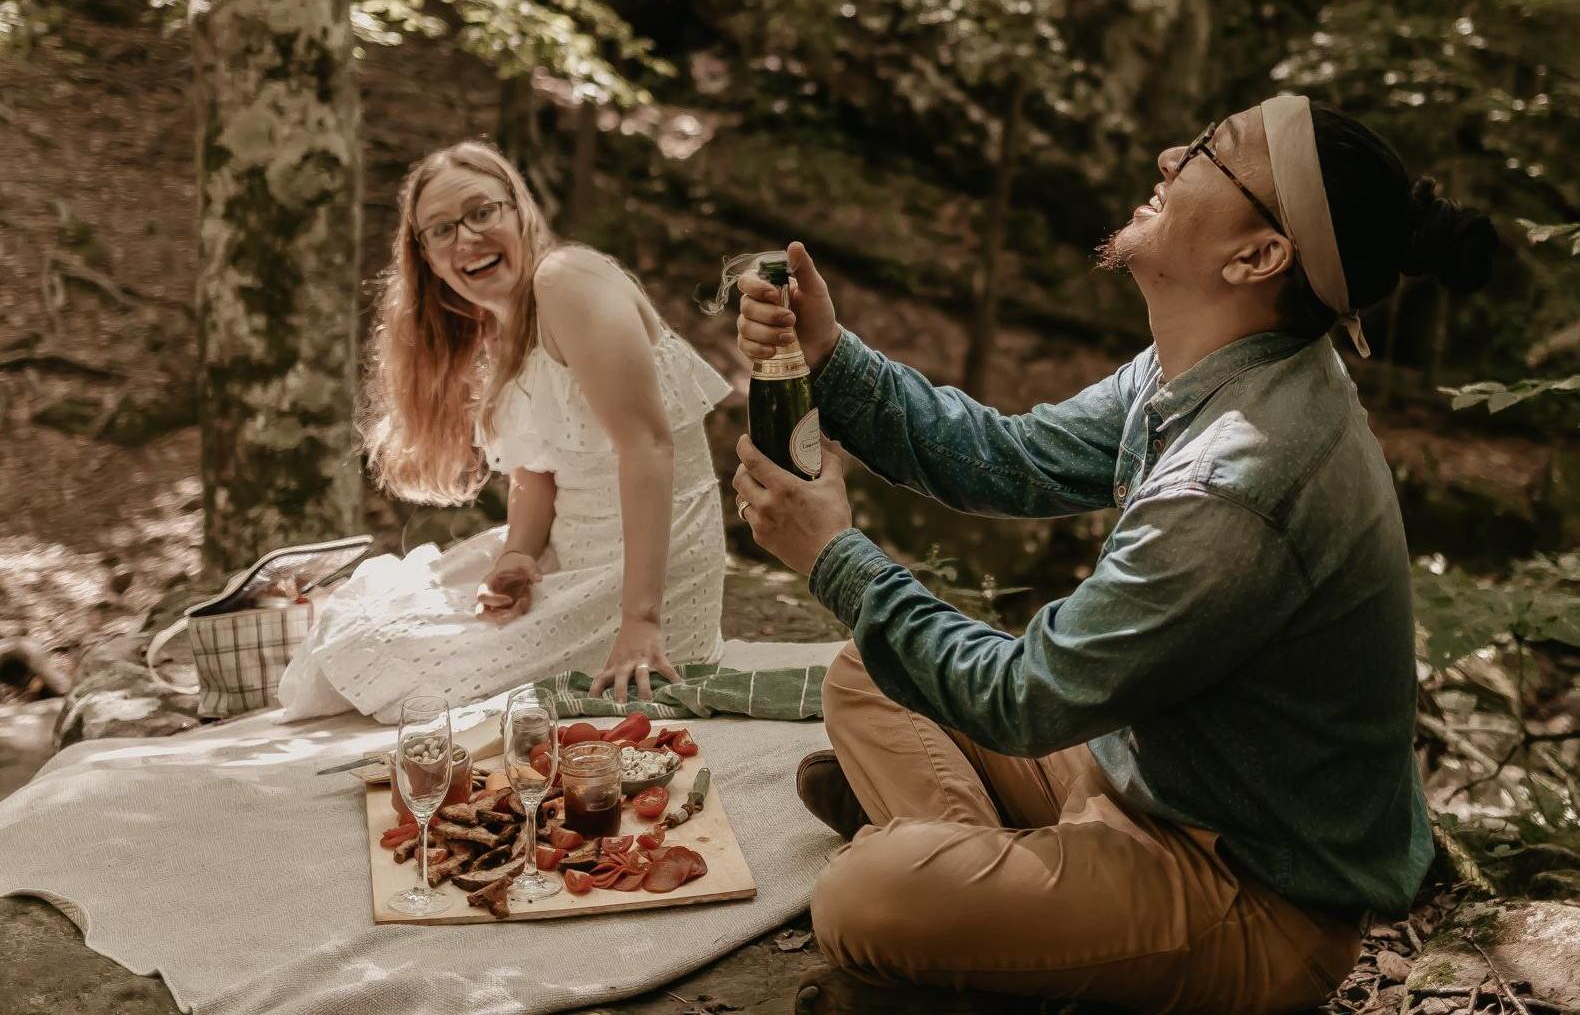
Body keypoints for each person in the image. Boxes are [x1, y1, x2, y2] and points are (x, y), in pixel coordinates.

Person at [731, 95, 1499, 1015]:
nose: (1173, 152)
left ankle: (952, 894)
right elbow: (1008, 459)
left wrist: (833, 553)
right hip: (1134, 778)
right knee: (866, 673)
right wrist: (830, 352)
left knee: (863, 897)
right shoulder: (1211, 361)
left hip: (1242, 891)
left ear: (1257, 257)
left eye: (1213, 152)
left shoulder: (1240, 479)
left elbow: (1025, 698)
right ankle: (983, 898)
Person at [277, 139, 732, 721]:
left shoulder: (567, 281)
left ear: (519, 209)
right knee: (364, 623)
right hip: (572, 556)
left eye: (481, 212)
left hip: (646, 578)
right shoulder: (502, 327)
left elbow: (648, 445)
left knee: (381, 655)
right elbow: (537, 475)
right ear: (426, 256)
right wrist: (519, 555)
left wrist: (640, 622)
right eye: (440, 230)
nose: (465, 239)